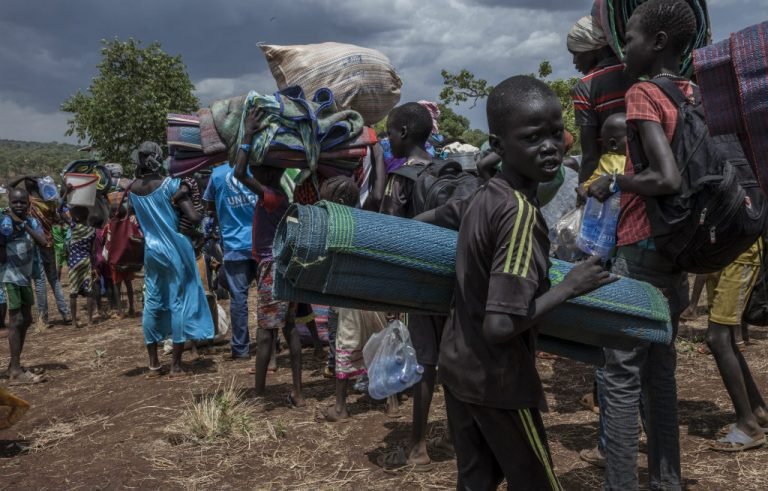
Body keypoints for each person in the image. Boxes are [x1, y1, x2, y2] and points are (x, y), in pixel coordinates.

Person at [420, 75, 615, 489]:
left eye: (554, 132)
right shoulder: (520, 216)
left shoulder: (485, 196)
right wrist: (570, 286)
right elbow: (501, 325)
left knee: (476, 480)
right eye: (532, 138)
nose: (550, 146)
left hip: (458, 364)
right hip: (499, 381)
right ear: (498, 145)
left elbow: (422, 223)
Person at [587, 1, 697, 488]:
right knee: (661, 376)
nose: (621, 46)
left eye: (629, 37)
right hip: (677, 249)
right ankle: (667, 482)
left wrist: (613, 185)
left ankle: (621, 484)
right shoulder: (692, 92)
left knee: (621, 377)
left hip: (640, 248)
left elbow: (666, 176)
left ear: (657, 43)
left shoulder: (642, 93)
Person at [376, 102, 452, 469]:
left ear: (403, 132)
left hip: (422, 287)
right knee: (456, 360)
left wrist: (392, 294)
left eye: (390, 132)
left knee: (425, 363)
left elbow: (392, 237)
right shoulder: (446, 170)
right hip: (455, 282)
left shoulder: (402, 177)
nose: (387, 139)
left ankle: (419, 446)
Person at [233, 105, 304, 407]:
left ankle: (260, 394)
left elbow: (238, 172)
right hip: (281, 264)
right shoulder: (279, 195)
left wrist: (248, 134)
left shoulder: (272, 196)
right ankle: (298, 393)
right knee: (288, 327)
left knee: (265, 332)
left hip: (272, 267)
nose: (254, 170)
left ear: (267, 172)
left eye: (259, 166)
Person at [129, 141, 214, 379]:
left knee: (152, 301)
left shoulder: (133, 189)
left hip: (151, 251)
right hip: (175, 248)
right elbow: (195, 216)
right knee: (178, 302)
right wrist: (191, 194)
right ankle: (176, 366)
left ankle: (154, 364)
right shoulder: (170, 185)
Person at [313, 176, 389, 422]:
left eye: (327, 201)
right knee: (379, 348)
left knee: (343, 348)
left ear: (341, 201)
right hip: (372, 296)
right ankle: (392, 403)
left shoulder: (338, 226)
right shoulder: (366, 222)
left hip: (347, 301)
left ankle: (340, 407)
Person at [704, 241, 768, 451]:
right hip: (719, 251)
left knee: (717, 337)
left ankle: (748, 427)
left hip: (740, 252)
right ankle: (758, 412)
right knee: (726, 337)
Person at [202, 161, 258, 360]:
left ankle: (241, 348)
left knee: (238, 298)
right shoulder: (258, 167)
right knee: (267, 295)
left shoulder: (217, 174)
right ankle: (271, 342)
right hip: (261, 241)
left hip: (234, 243)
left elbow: (209, 206)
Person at [568, 15, 633, 185]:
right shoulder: (638, 70)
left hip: (610, 177)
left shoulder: (586, 86)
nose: (575, 61)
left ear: (594, 48)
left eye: (576, 53)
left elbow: (590, 155)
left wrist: (582, 191)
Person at [0, 189, 48, 385]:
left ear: (28, 203)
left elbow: (44, 242)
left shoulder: (32, 222)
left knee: (27, 319)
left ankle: (14, 365)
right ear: (9, 202)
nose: (19, 205)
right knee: (15, 320)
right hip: (10, 277)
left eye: (22, 202)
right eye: (15, 202)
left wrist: (24, 226)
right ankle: (16, 373)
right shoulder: (4, 223)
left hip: (25, 276)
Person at [8, 176, 70, 327]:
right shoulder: (49, 203)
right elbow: (59, 213)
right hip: (49, 244)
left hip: (35, 244)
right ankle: (65, 313)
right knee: (54, 280)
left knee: (40, 282)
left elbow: (10, 187)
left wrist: (23, 177)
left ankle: (44, 318)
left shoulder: (29, 203)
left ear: (27, 190)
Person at [63, 205, 99, 328]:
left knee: (73, 292)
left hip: (73, 262)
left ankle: (73, 322)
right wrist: (94, 266)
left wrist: (64, 194)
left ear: (76, 218)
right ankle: (89, 321)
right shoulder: (92, 230)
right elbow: (93, 251)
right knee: (89, 291)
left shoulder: (73, 227)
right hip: (86, 261)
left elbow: (59, 211)